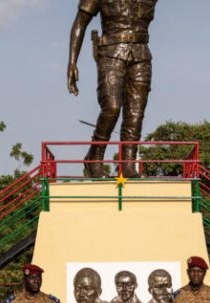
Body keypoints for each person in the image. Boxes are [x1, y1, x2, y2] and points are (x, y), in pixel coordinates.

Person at [67, 0, 158, 178]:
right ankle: (95, 157)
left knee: (135, 112)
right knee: (112, 107)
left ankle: (128, 164)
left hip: (141, 54)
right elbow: (80, 22)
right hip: (111, 52)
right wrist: (72, 62)